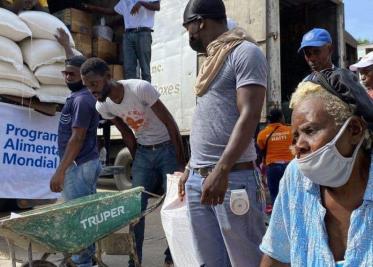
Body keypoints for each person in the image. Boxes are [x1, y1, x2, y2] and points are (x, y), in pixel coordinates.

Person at [178, 0, 268, 266]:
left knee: (247, 261)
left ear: (200, 22)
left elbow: (249, 115)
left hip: (232, 178)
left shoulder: (245, 52)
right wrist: (190, 167)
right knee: (211, 261)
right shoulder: (212, 60)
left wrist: (222, 170)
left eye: (188, 27)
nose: (189, 35)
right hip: (199, 178)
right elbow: (210, 120)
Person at [260, 69, 373, 266]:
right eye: (295, 137)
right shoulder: (296, 176)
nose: (298, 146)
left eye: (309, 131)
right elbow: (275, 256)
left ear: (354, 130)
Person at [80, 57, 185, 267]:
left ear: (108, 77)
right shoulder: (103, 106)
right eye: (87, 86)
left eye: (94, 84)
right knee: (135, 210)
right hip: (144, 153)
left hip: (167, 149)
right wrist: (138, 158)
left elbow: (170, 123)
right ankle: (134, 260)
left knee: (174, 206)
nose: (91, 90)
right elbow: (126, 132)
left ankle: (172, 256)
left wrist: (181, 164)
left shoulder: (140, 89)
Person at [50, 29, 101, 267]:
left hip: (78, 166)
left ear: (82, 77)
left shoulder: (81, 100)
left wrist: (61, 170)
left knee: (79, 217)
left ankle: (82, 263)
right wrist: (66, 46)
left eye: (72, 74)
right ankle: (84, 260)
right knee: (85, 215)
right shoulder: (80, 95)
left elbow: (77, 138)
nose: (67, 77)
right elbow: (76, 60)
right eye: (65, 73)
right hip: (82, 164)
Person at [83, 1, 160, 82]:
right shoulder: (124, 1)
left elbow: (157, 7)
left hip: (143, 33)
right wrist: (92, 8)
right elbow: (112, 12)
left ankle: (147, 93)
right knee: (129, 68)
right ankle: (132, 93)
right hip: (128, 34)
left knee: (145, 67)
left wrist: (141, 3)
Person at [257, 108, 293, 203]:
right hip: (290, 166)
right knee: (291, 193)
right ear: (281, 118)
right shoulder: (290, 131)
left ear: (269, 120)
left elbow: (260, 150)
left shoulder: (262, 134)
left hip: (273, 167)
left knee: (275, 195)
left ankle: (278, 216)